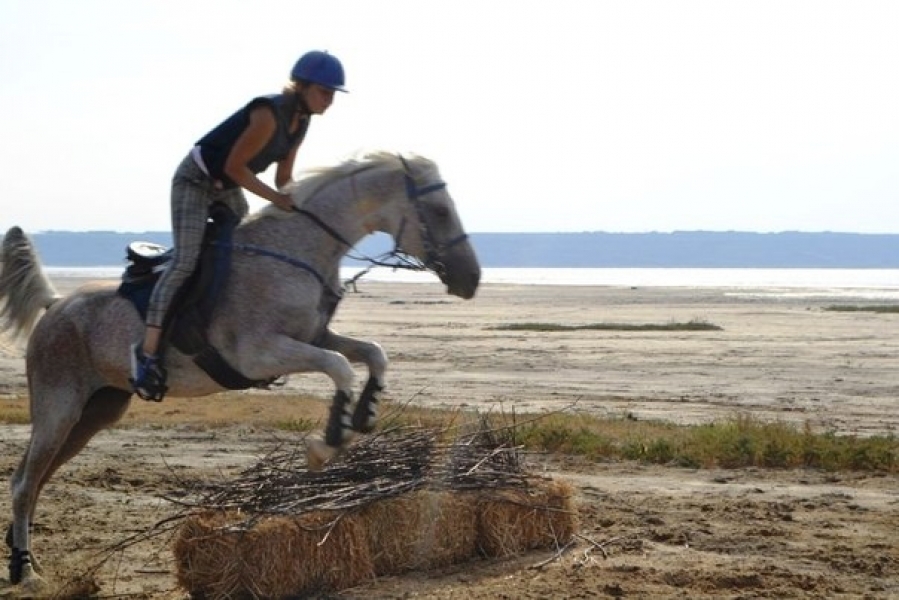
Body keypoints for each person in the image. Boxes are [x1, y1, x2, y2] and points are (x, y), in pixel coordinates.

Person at [130, 50, 347, 401]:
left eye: (333, 94)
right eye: (325, 92)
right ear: (303, 87)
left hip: (228, 189)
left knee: (244, 257)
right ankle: (148, 353)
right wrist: (278, 201)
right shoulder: (267, 114)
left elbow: (284, 178)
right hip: (196, 182)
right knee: (186, 261)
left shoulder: (301, 123)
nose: (330, 101)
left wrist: (309, 205)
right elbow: (234, 167)